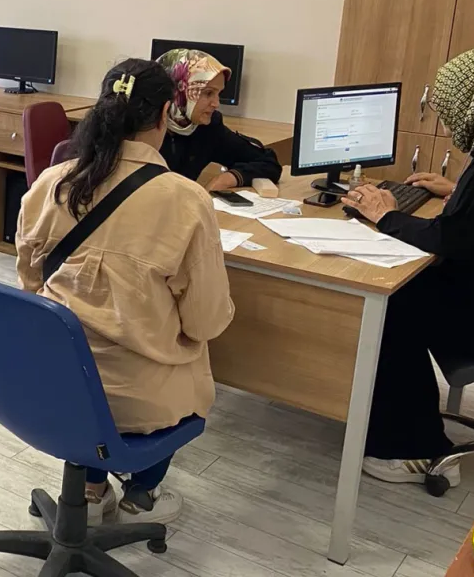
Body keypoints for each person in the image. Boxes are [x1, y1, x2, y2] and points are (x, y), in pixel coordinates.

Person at [16, 58, 234, 525]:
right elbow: (206, 320)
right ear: (165, 115)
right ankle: (142, 494)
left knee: (89, 361)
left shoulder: (52, 183)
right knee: (183, 360)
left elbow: (30, 284)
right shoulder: (185, 200)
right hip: (137, 400)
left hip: (52, 385)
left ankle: (92, 491)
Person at [341, 43, 474, 487]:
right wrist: (458, 190)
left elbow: (452, 238)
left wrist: (385, 215)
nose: (448, 126)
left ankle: (411, 447)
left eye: (449, 113)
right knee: (411, 287)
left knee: (393, 300)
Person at [156, 48, 281, 191]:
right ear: (178, 92)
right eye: (208, 93)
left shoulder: (207, 127)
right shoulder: (145, 126)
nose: (216, 103)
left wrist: (227, 178)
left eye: (218, 93)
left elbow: (268, 162)